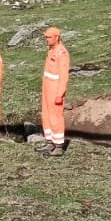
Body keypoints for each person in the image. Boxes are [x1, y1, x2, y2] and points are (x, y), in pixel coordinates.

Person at [37, 26, 69, 155]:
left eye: (49, 37)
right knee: (46, 115)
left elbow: (63, 76)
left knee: (56, 116)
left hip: (55, 89)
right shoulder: (51, 50)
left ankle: (58, 146)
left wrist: (60, 94)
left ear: (57, 37)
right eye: (46, 37)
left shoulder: (62, 53)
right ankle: (50, 142)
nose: (47, 39)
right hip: (47, 88)